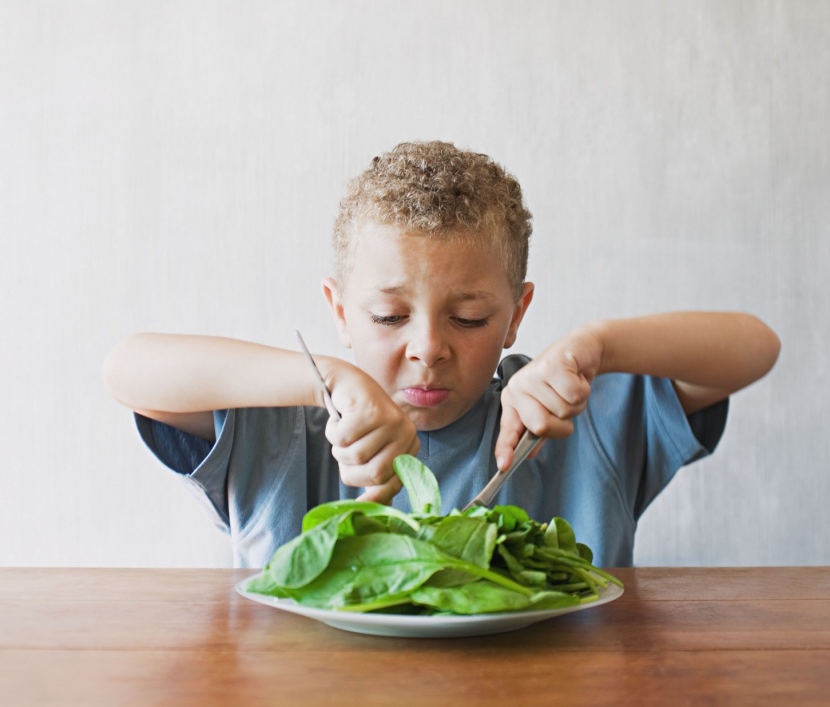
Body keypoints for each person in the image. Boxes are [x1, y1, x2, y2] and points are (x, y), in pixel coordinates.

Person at [103, 141, 781, 568]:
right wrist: (326, 380)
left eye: (469, 316)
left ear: (516, 314)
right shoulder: (285, 425)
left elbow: (755, 347)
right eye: (389, 315)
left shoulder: (573, 411)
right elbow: (127, 368)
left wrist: (597, 345)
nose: (428, 347)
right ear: (339, 312)